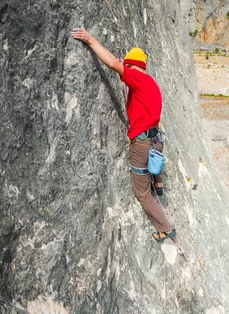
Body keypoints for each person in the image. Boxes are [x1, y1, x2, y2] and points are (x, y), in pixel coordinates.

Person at [70, 28, 176, 242]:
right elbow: (126, 73)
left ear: (130, 65)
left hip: (142, 143)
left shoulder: (136, 78)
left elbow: (111, 64)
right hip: (156, 140)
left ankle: (165, 228)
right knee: (152, 165)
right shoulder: (150, 83)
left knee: (141, 193)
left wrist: (91, 40)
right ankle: (159, 183)